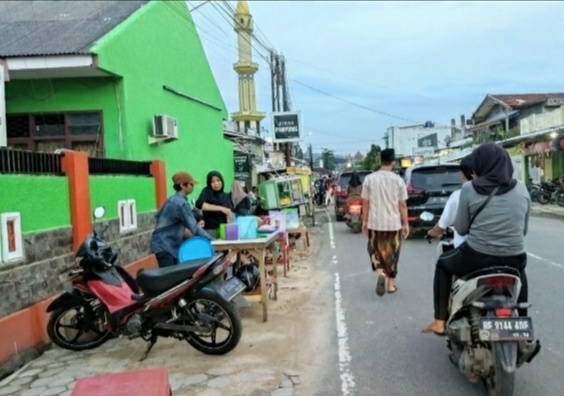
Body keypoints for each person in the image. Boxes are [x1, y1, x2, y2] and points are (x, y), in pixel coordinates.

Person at [422, 143, 530, 336]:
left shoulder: (469, 188)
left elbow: (462, 228)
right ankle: (522, 320)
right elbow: (523, 230)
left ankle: (439, 321)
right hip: (515, 256)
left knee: (443, 264)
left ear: (479, 165)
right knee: (520, 273)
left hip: (477, 255)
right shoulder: (522, 189)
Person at [361, 149, 409, 296]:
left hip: (375, 223)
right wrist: (406, 223)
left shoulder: (369, 179)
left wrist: (364, 221)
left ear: (380, 161)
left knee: (374, 250)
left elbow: (365, 202)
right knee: (393, 253)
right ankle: (390, 285)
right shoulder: (398, 180)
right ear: (393, 162)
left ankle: (380, 272)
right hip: (393, 223)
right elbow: (402, 204)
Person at [150, 171, 213, 268]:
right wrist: (212, 240)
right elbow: (194, 229)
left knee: (173, 278)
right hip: (165, 246)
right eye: (191, 184)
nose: (193, 187)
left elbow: (158, 217)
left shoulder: (172, 199)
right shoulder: (181, 203)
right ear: (183, 185)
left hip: (165, 245)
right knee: (169, 279)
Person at [426, 154, 473, 248]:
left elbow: (442, 225)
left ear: (462, 175)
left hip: (466, 251)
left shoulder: (458, 195)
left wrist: (432, 233)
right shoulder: (496, 193)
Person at [195, 171, 233, 238]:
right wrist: (222, 209)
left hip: (224, 230)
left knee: (224, 248)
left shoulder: (226, 196)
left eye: (218, 180)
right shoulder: (207, 192)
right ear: (209, 183)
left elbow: (230, 213)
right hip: (210, 230)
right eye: (213, 182)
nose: (216, 184)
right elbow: (199, 204)